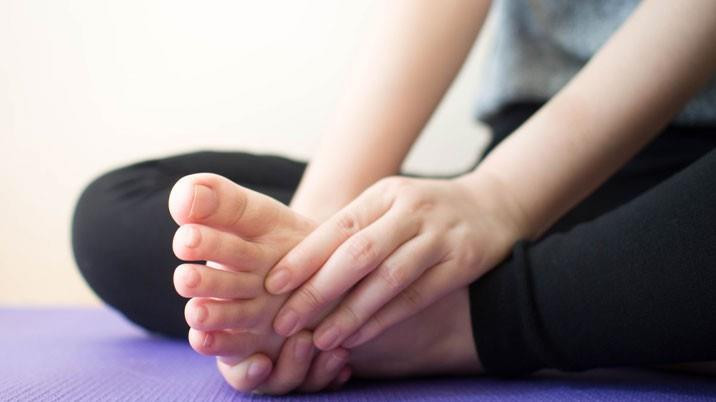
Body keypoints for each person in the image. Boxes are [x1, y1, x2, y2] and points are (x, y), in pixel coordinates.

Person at [72, 0, 716, 395]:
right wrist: (323, 241)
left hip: (690, 187)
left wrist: (500, 197)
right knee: (114, 216)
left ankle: (455, 325)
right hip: (528, 146)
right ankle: (626, 318)